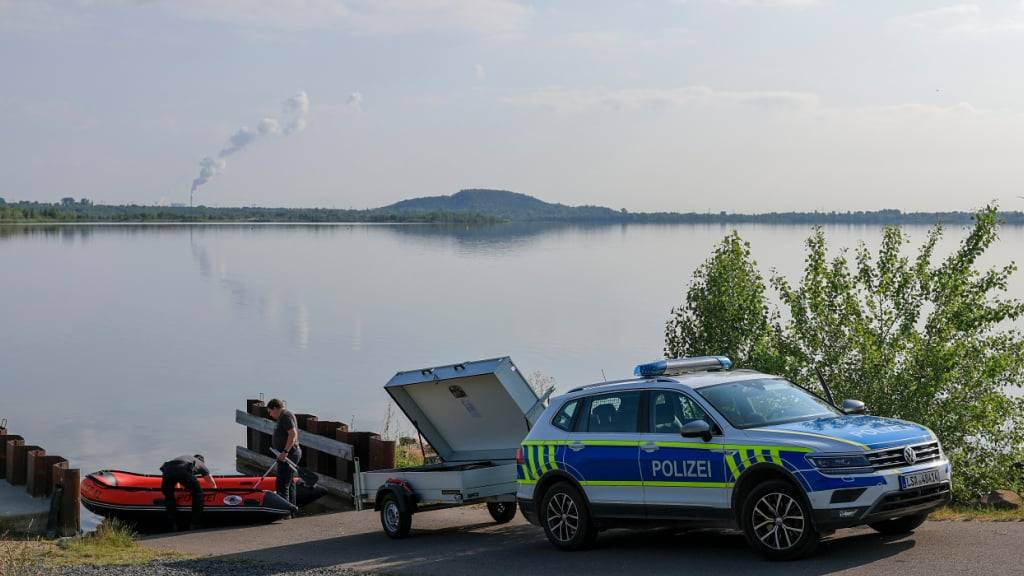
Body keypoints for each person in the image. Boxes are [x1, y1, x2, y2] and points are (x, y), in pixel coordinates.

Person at [160, 454, 216, 531]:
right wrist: (215, 490)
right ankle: (195, 524)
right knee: (198, 494)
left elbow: (176, 475)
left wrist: (181, 486)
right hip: (182, 469)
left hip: (167, 469)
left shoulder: (186, 458)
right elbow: (210, 481)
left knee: (169, 497)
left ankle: (172, 525)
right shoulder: (200, 463)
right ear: (202, 461)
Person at [266, 398, 301, 508]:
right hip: (285, 454)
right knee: (289, 483)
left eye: (270, 412)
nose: (270, 415)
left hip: (289, 455)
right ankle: (290, 509)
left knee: (282, 484)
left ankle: (284, 511)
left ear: (275, 408)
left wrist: (285, 451)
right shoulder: (283, 416)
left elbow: (292, 434)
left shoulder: (285, 416)